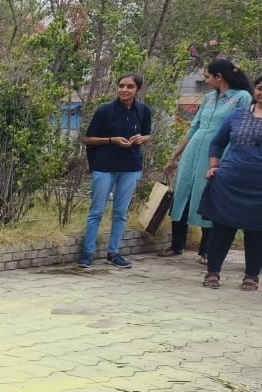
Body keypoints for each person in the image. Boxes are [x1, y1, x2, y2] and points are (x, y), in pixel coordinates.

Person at [163, 58, 253, 262]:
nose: (207, 81)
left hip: (218, 154)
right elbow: (193, 128)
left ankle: (206, 250)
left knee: (210, 197)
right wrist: (174, 156)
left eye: (208, 77)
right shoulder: (208, 98)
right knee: (182, 195)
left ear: (219, 76)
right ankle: (176, 244)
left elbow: (241, 130)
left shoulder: (242, 98)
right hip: (193, 152)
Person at [78, 73, 153, 269]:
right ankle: (87, 253)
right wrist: (112, 140)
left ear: (137, 89)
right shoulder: (105, 111)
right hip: (105, 166)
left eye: (129, 86)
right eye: (121, 86)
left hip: (130, 167)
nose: (124, 90)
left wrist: (141, 139)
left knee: (120, 213)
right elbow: (88, 139)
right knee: (97, 211)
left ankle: (114, 253)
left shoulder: (143, 110)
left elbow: (148, 134)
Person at [197, 75, 262, 291]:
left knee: (256, 231)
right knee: (222, 228)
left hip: (259, 188)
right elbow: (217, 143)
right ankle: (212, 272)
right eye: (260, 88)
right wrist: (213, 166)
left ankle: (251, 276)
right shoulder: (237, 115)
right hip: (229, 182)